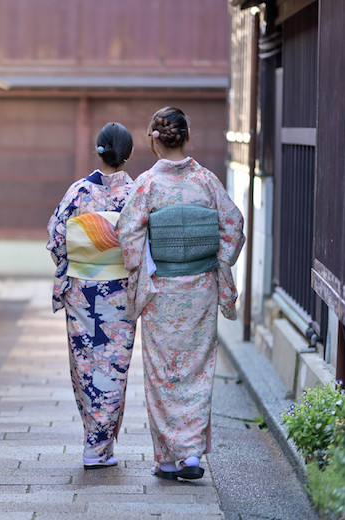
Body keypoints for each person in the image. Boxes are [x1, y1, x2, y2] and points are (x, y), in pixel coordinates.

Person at [116, 106, 245, 480]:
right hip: (201, 290)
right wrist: (217, 262)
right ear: (186, 137)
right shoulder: (206, 181)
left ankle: (167, 460)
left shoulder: (147, 184)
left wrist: (146, 264)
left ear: (153, 140)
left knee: (162, 373)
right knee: (197, 370)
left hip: (162, 293)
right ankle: (191, 455)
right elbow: (234, 226)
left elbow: (128, 235)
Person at [46, 122, 137, 469]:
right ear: (128, 154)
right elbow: (144, 244)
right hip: (120, 292)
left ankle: (94, 442)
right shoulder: (136, 192)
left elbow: (56, 237)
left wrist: (81, 261)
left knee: (85, 366)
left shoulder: (78, 192)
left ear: (98, 150)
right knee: (114, 366)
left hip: (82, 294)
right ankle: (99, 447)